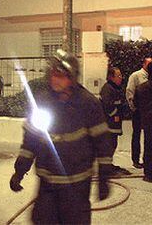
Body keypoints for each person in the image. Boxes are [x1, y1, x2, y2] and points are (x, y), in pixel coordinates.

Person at [9, 49, 112, 224]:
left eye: (61, 76)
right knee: (42, 220)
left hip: (77, 186)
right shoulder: (42, 102)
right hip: (47, 183)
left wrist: (104, 179)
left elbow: (102, 144)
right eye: (53, 75)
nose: (55, 79)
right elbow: (30, 142)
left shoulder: (88, 104)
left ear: (72, 78)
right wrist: (19, 171)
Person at [100, 66, 131, 175]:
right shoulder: (107, 89)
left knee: (113, 144)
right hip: (110, 123)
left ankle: (108, 165)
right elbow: (107, 106)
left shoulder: (114, 88)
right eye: (118, 76)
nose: (121, 78)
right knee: (110, 144)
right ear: (111, 77)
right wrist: (115, 115)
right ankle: (105, 167)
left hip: (114, 123)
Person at [126, 57, 152, 168]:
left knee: (148, 135)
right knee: (136, 134)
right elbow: (130, 91)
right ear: (144, 64)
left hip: (149, 111)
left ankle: (147, 159)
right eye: (148, 64)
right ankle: (136, 159)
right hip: (139, 110)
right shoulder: (136, 76)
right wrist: (134, 108)